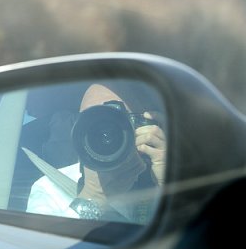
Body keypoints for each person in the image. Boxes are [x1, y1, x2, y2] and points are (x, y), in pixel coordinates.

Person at [26, 84, 166, 225]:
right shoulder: (49, 190)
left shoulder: (161, 176)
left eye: (119, 119)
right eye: (91, 121)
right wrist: (93, 196)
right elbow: (46, 245)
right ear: (77, 130)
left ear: (144, 125)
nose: (104, 132)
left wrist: (169, 183)